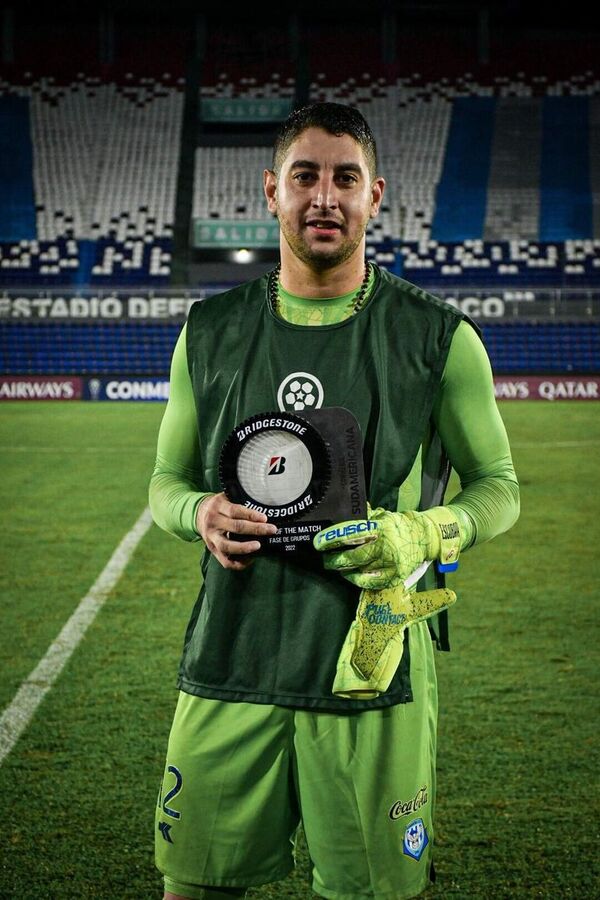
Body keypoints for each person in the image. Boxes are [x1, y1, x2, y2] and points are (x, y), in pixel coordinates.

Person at [149, 101, 520, 900]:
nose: (325, 196)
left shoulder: (437, 337)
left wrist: (424, 532)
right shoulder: (207, 331)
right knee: (193, 886)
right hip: (231, 657)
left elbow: (500, 488)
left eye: (345, 178)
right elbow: (166, 485)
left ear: (375, 196)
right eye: (305, 176)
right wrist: (198, 514)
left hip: (368, 666)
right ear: (270, 192)